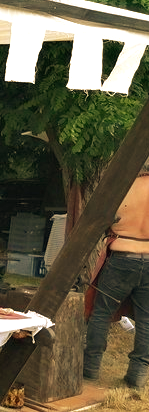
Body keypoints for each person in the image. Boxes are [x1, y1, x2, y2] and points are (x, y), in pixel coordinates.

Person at [83, 158, 149, 388]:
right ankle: (138, 376)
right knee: (147, 319)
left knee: (101, 313)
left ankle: (90, 369)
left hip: (122, 256)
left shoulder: (124, 186)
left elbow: (100, 220)